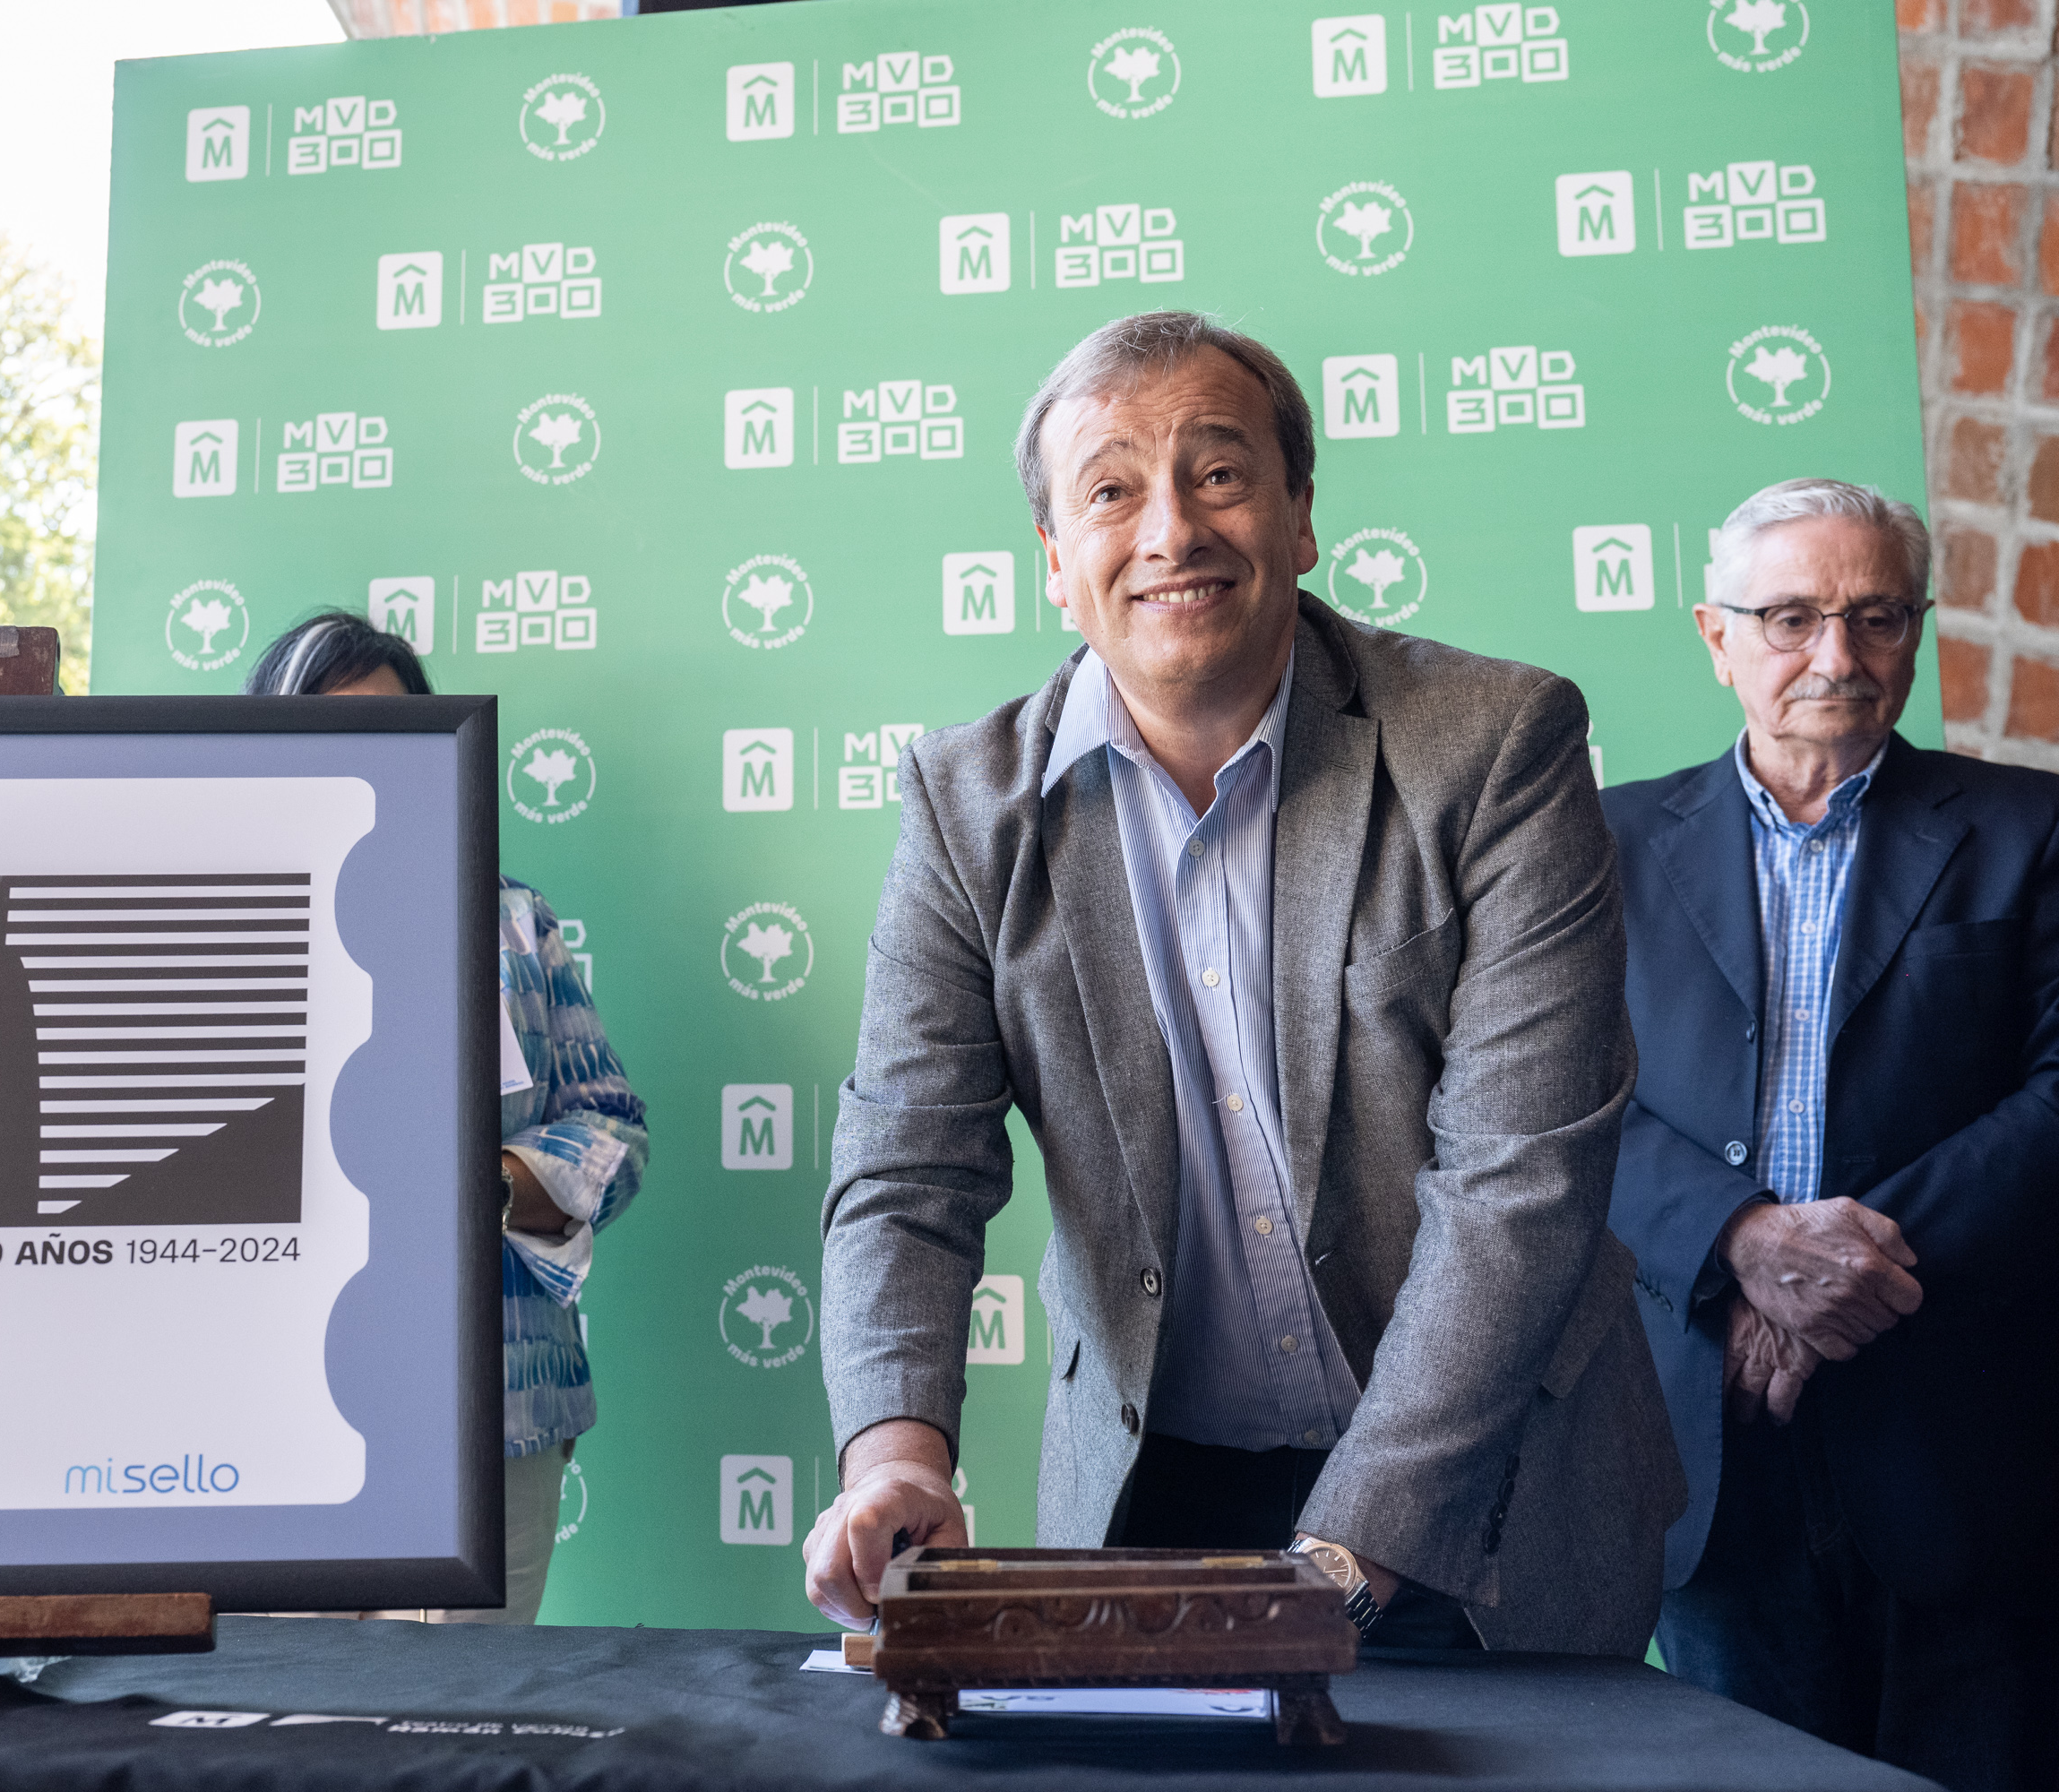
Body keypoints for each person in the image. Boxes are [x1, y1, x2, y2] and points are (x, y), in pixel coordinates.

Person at [806, 311, 1681, 1653]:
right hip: (1155, 1495)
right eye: (1110, 492)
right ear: (1055, 560)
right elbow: (907, 1167)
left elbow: (1520, 1182)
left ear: (1301, 515)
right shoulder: (966, 806)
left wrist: (1342, 1558)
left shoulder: (1497, 744)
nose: (1172, 531)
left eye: (1218, 474)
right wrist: (895, 1455)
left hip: (1487, 1498)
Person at [1603, 478, 2057, 1792]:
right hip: (1705, 1434)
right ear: (1716, 635)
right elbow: (1546, 1101)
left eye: (1876, 617)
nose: (1836, 655)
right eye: (1791, 617)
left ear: (1918, 632)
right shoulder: (1599, 841)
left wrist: (1835, 1276)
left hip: (1966, 1446)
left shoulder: (2033, 829)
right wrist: (1744, 1243)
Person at [248, 610, 648, 1624]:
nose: (362, 755)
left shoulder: (511, 919)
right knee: (264, 1700)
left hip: (495, 1405)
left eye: (390, 730)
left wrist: (486, 1183)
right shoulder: (216, 920)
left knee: (461, 1705)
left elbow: (614, 1129)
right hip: (268, 1410)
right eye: (324, 729)